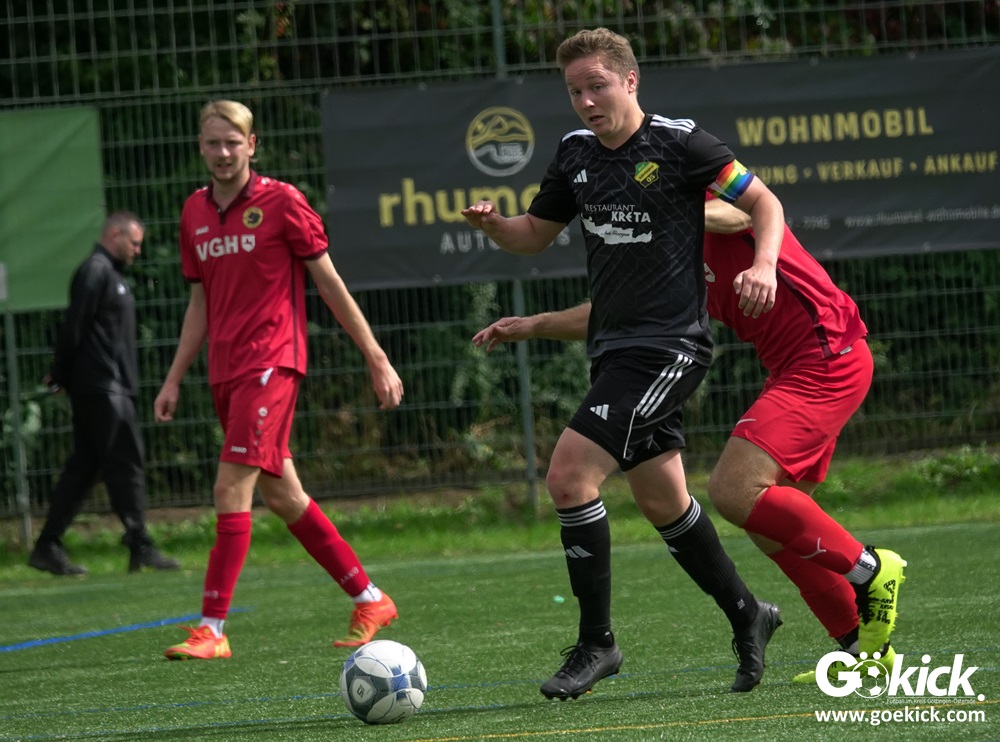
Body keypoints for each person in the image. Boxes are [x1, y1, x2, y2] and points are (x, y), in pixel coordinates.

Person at [461, 28, 785, 698]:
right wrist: (496, 226)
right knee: (662, 500)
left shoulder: (680, 143)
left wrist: (764, 264)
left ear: (630, 81)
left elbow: (763, 202)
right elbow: (534, 235)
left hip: (670, 347)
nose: (586, 101)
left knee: (569, 476)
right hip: (612, 349)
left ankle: (597, 643)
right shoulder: (575, 153)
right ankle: (749, 614)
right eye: (575, 91)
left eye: (597, 86)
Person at [472, 196, 907, 684]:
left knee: (734, 490)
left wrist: (673, 212)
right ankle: (864, 650)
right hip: (794, 367)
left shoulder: (694, 198)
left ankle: (870, 569)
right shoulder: (664, 253)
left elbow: (746, 213)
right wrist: (534, 325)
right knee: (772, 527)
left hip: (827, 356)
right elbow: (617, 314)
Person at [154, 99, 404, 660]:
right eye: (213, 143)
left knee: (229, 488)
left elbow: (330, 283)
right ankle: (370, 598)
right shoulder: (193, 212)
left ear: (252, 145)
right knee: (284, 496)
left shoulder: (282, 201)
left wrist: (376, 356)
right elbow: (199, 303)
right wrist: (173, 379)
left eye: (232, 142)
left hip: (272, 364)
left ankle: (211, 629)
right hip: (225, 371)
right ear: (201, 147)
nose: (223, 152)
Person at [28, 211, 180, 576]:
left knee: (84, 467)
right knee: (126, 462)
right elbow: (74, 326)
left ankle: (47, 546)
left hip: (107, 385)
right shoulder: (95, 271)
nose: (138, 250)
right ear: (114, 235)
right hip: (103, 386)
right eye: (134, 243)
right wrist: (59, 374)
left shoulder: (111, 274)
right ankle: (139, 542)